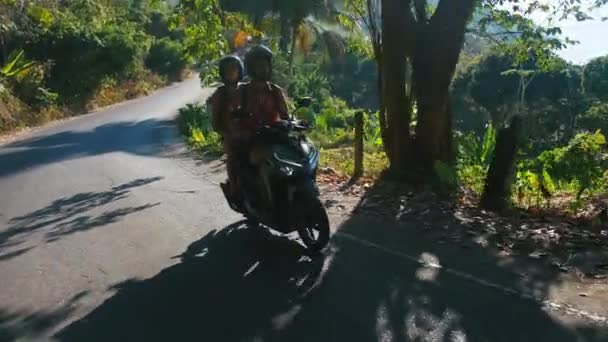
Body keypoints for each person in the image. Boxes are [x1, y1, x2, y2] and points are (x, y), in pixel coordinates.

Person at [207, 55, 244, 200]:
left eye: (233, 69)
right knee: (233, 157)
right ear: (222, 73)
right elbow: (215, 120)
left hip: (249, 130)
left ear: (239, 71)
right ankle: (234, 187)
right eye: (227, 70)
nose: (231, 72)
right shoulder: (220, 93)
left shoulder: (245, 89)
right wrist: (225, 133)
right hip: (229, 133)